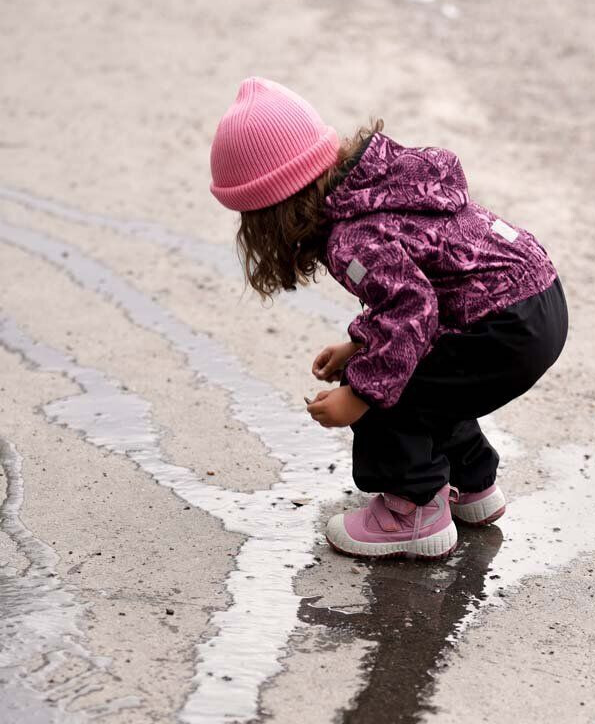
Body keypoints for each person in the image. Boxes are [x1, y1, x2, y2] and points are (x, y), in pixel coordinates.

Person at [209, 77, 568, 559]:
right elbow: (420, 290)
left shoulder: (350, 238)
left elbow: (411, 308)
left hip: (502, 326)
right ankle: (472, 484)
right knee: (433, 380)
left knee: (391, 390)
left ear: (275, 212)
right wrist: (359, 344)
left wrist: (358, 394)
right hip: (538, 299)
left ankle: (414, 512)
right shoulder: (382, 184)